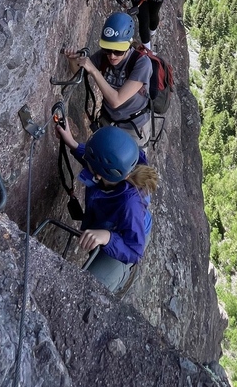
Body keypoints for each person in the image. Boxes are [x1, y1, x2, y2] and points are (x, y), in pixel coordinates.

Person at [53, 119, 158, 293]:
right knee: (96, 248)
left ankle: (124, 274)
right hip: (114, 225)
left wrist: (108, 238)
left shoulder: (129, 204)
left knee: (89, 291)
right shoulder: (123, 162)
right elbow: (97, 162)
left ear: (99, 175)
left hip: (129, 239)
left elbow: (134, 251)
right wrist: (72, 143)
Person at [66, 11, 152, 145]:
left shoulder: (142, 63)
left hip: (133, 127)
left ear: (129, 44)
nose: (112, 56)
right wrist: (72, 60)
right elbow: (78, 74)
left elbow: (116, 100)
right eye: (107, 49)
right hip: (108, 120)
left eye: (118, 51)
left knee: (129, 163)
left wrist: (94, 71)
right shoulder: (103, 56)